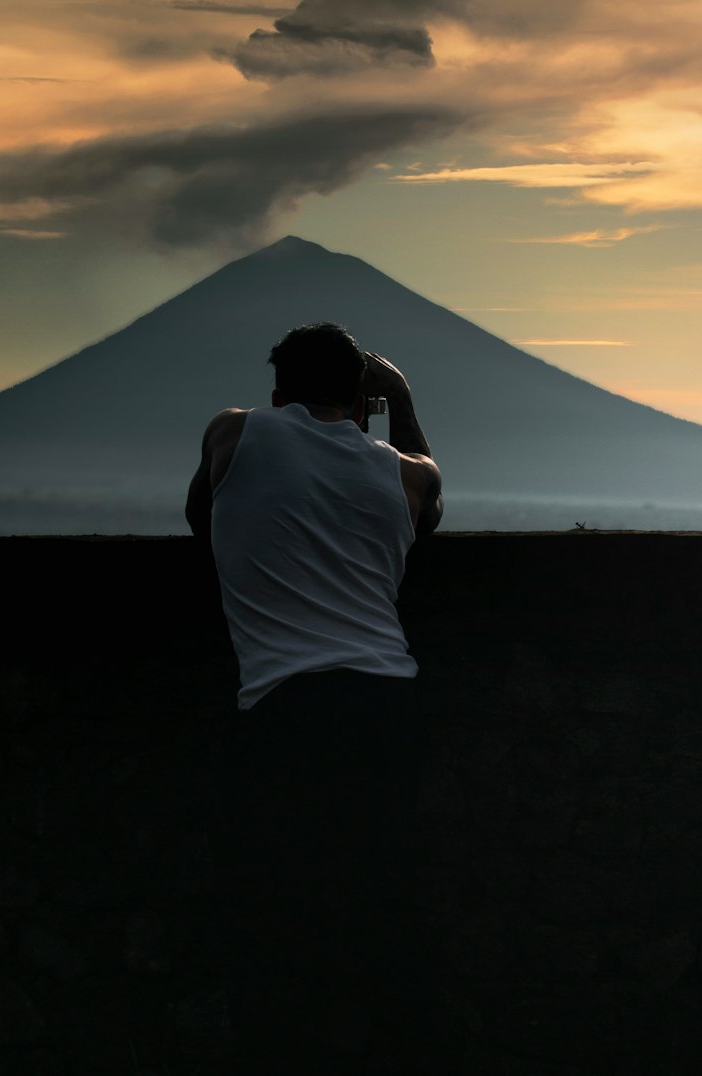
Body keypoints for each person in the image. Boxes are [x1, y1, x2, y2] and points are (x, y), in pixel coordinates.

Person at [185, 322, 444, 1076]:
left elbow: (202, 518)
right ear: (363, 399)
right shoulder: (403, 473)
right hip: (387, 705)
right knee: (384, 911)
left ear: (277, 394)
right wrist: (397, 397)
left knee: (276, 915)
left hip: (284, 710)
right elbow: (430, 489)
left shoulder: (234, 433)